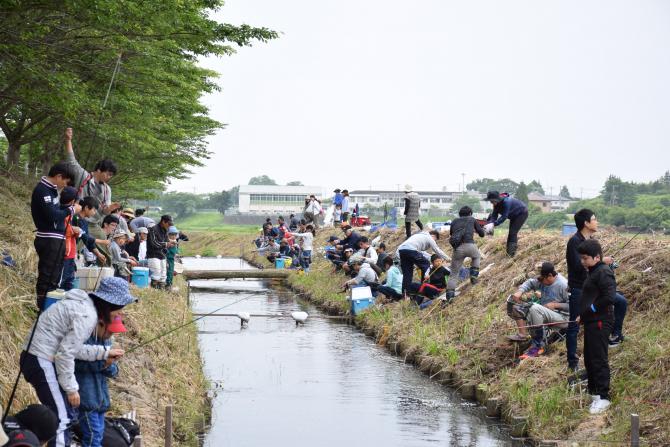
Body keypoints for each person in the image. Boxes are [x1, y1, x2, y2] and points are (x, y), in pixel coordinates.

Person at [20, 277, 134, 447]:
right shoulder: (87, 316)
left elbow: (74, 348)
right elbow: (65, 354)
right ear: (109, 305)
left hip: (37, 357)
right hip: (39, 358)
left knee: (62, 415)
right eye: (120, 308)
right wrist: (72, 389)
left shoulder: (86, 308)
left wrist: (104, 352)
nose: (121, 314)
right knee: (62, 417)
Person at [565, 209, 628, 371]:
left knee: (620, 302)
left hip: (595, 289)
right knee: (574, 324)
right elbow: (578, 267)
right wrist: (602, 262)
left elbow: (595, 268)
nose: (597, 221)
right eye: (594, 219)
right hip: (579, 289)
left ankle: (615, 335)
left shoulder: (591, 240)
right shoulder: (574, 241)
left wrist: (605, 265)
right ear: (586, 223)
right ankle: (572, 363)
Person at [63, 128, 119, 262]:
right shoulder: (83, 176)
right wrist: (68, 140)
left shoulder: (107, 189)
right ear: (99, 170)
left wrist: (110, 209)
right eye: (108, 174)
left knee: (106, 253)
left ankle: (106, 279)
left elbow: (104, 211)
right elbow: (72, 160)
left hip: (94, 224)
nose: (109, 177)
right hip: (77, 219)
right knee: (72, 249)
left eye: (111, 175)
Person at [30, 162, 80, 309]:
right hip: (48, 238)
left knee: (55, 275)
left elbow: (57, 212)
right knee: (47, 274)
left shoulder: (52, 191)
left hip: (57, 238)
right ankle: (42, 306)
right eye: (65, 181)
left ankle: (50, 305)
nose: (65, 185)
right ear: (59, 176)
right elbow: (52, 215)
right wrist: (71, 210)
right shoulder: (43, 190)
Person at [576, 239, 615, 414]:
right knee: (590, 358)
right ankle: (593, 393)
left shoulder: (604, 272)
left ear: (597, 257)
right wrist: (582, 315)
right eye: (581, 258)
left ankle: (603, 397)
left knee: (599, 358)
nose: (582, 261)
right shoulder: (593, 271)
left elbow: (609, 297)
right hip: (591, 321)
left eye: (585, 258)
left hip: (600, 321)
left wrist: (590, 310)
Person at [74, 316, 126, 447]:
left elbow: (114, 371)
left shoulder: (107, 342)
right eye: (110, 331)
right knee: (93, 435)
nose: (111, 335)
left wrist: (110, 365)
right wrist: (103, 363)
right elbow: (76, 365)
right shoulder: (83, 342)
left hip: (101, 401)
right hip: (86, 400)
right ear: (100, 325)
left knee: (99, 434)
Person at [507, 262, 570, 359]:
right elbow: (530, 282)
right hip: (546, 312)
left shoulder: (563, 285)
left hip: (564, 318)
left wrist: (556, 305)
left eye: (542, 279)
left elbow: (574, 306)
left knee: (534, 308)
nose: (540, 282)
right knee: (516, 305)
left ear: (549, 276)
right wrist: (520, 292)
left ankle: (538, 346)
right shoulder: (543, 279)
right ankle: (522, 335)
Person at [446, 206, 486, 300]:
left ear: (460, 213)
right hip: (470, 245)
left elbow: (452, 234)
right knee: (476, 257)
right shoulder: (472, 219)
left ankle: (450, 297)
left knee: (454, 274)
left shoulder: (454, 221)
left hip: (458, 248)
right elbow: (482, 234)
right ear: (470, 213)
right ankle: (473, 276)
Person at [397, 230, 450, 297]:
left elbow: (422, 254)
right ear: (433, 236)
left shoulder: (418, 236)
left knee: (407, 274)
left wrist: (433, 259)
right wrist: (448, 258)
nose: (434, 242)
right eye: (435, 240)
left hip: (402, 251)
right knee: (426, 264)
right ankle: (423, 287)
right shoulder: (429, 237)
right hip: (411, 250)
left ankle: (405, 294)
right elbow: (436, 250)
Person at [484, 190, 528, 257]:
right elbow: (494, 215)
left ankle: (511, 255)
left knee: (513, 232)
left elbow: (504, 216)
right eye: (491, 201)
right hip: (513, 215)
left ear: (497, 199)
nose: (492, 203)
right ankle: (508, 252)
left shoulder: (506, 202)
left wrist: (494, 224)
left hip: (521, 213)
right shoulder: (496, 204)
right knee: (510, 233)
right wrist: (490, 223)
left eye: (492, 201)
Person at [58, 187, 83, 291]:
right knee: (62, 282)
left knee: (69, 282)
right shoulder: (64, 212)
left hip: (70, 253)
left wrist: (77, 231)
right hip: (65, 253)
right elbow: (65, 231)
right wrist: (74, 230)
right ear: (73, 201)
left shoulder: (71, 215)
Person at [147, 215, 174, 288]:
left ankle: (161, 291)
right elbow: (154, 243)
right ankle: (154, 290)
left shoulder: (165, 230)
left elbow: (166, 241)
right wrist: (166, 244)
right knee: (156, 274)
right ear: (163, 222)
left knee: (163, 275)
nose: (169, 226)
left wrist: (170, 243)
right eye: (169, 224)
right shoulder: (153, 229)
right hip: (153, 255)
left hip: (162, 255)